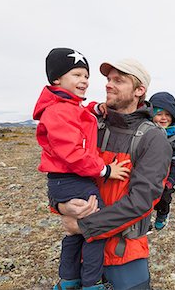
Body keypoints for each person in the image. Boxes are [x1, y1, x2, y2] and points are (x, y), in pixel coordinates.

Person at [58, 58, 172, 290]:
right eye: (108, 80)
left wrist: (85, 226)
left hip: (123, 254)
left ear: (139, 91)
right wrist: (61, 207)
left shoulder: (153, 139)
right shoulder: (92, 124)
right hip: (82, 251)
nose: (108, 85)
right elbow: (61, 172)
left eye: (118, 80)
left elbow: (142, 201)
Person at [33, 48, 131, 290]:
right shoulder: (58, 111)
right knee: (94, 229)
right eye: (76, 74)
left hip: (64, 180)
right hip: (73, 178)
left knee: (75, 232)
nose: (84, 81)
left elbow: (78, 114)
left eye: (86, 76)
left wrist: (95, 109)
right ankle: (92, 283)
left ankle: (68, 280)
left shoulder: (65, 106)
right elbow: (72, 154)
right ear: (56, 79)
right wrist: (105, 170)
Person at [149, 92, 175, 230]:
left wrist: (170, 182)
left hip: (165, 177)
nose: (164, 118)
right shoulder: (145, 132)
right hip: (147, 173)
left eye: (168, 114)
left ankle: (163, 214)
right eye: (159, 113)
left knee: (163, 198)